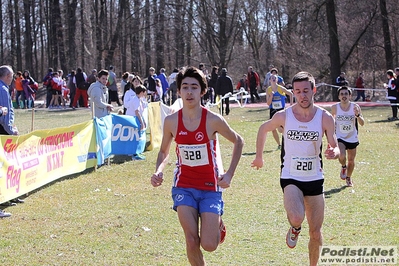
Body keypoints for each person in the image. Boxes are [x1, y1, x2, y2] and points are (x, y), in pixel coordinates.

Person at [150, 66, 244, 265]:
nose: (189, 92)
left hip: (210, 186)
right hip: (184, 186)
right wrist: (159, 170)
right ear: (179, 91)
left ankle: (216, 224)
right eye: (185, 87)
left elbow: (239, 141)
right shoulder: (171, 121)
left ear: (202, 91)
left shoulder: (212, 120)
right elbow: (164, 152)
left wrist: (229, 175)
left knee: (209, 244)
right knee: (191, 240)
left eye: (194, 87)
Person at [251, 71, 339, 266]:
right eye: (298, 91)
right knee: (297, 216)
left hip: (315, 177)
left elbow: (334, 144)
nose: (302, 95)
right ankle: (295, 227)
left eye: (306, 91)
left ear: (314, 91)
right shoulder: (285, 115)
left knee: (315, 233)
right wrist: (259, 157)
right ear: (293, 93)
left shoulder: (325, 118)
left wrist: (335, 152)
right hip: (290, 176)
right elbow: (263, 129)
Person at [0, 65, 24, 214]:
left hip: (5, 130)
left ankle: (9, 196)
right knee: (5, 165)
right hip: (4, 132)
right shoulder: (2, 89)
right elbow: (5, 114)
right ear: (7, 76)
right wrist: (11, 130)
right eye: (12, 76)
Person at [331, 86, 364, 187]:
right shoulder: (334, 107)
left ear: (350, 96)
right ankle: (343, 166)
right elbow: (331, 121)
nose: (344, 96)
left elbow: (362, 123)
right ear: (339, 96)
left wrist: (358, 115)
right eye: (342, 94)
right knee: (342, 155)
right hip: (340, 136)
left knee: (351, 160)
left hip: (352, 136)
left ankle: (348, 178)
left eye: (346, 94)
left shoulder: (355, 107)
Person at [266, 74, 293, 149]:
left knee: (282, 129)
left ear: (277, 80)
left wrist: (291, 106)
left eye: (275, 78)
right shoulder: (268, 90)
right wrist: (271, 96)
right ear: (270, 80)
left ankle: (287, 142)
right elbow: (268, 103)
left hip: (281, 110)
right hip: (273, 110)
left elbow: (290, 94)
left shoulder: (280, 88)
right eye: (272, 78)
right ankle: (279, 144)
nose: (273, 79)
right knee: (273, 128)